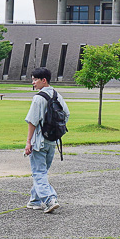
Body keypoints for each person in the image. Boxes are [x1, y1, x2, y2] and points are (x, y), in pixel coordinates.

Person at [25, 67, 69, 213]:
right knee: (42, 172)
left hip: (39, 141)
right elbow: (66, 115)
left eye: (35, 79)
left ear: (44, 80)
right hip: (52, 141)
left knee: (38, 172)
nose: (33, 82)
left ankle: (50, 199)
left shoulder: (38, 98)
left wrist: (28, 142)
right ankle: (35, 200)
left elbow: (32, 121)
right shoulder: (57, 95)